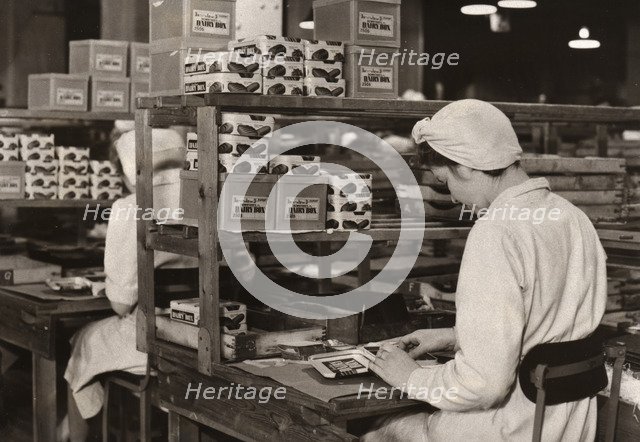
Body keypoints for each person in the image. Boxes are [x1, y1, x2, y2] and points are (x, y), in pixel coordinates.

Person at [365, 100, 607, 441]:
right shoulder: (571, 217)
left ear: (465, 166)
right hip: (567, 426)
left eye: (444, 181)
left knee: (379, 430)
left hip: (511, 428)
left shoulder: (496, 231)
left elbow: (485, 386)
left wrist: (410, 378)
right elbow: (548, 330)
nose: (450, 195)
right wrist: (455, 337)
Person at [60, 128, 198, 442]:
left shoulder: (130, 208)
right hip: (208, 335)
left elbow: (120, 305)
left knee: (82, 340)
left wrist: (112, 287)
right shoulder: (206, 202)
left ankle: (70, 433)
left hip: (157, 339)